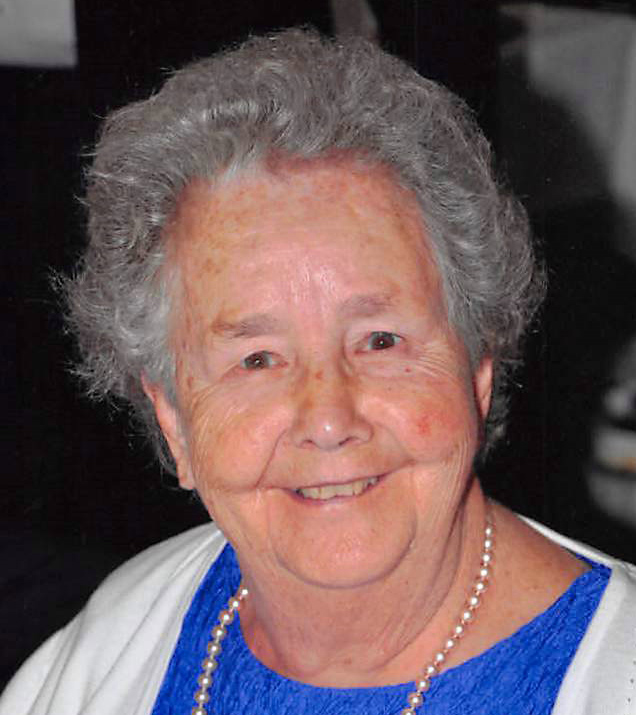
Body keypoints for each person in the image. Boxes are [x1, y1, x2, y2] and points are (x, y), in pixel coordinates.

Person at [2, 28, 635, 715]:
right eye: (257, 359)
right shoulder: (107, 649)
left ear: (478, 370)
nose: (329, 419)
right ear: (173, 420)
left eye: (379, 341)